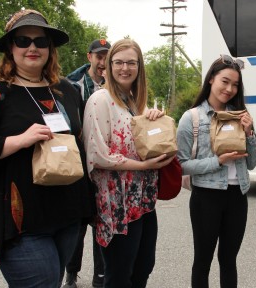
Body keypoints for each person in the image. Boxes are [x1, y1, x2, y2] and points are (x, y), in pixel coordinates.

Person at [0, 9, 93, 287]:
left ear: (50, 49)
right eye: (23, 41)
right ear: (10, 48)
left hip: (66, 215)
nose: (32, 47)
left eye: (40, 41)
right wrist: (19, 140)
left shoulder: (66, 91)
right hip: (20, 222)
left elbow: (81, 143)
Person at [82, 38, 174, 288]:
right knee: (119, 276)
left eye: (131, 63)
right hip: (116, 206)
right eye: (119, 62)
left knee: (143, 269)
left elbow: (146, 145)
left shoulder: (134, 102)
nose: (125, 68)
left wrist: (154, 120)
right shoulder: (100, 100)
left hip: (143, 202)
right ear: (109, 67)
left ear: (139, 67)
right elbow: (96, 154)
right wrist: (143, 167)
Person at [176, 54, 256, 287]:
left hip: (238, 195)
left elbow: (252, 163)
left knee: (228, 259)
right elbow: (181, 165)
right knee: (203, 260)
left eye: (235, 84)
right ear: (211, 79)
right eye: (225, 81)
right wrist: (218, 161)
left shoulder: (241, 116)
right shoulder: (191, 118)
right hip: (206, 196)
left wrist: (250, 133)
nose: (230, 89)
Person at [63, 38, 110, 288]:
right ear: (89, 56)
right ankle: (71, 273)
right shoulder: (72, 85)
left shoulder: (116, 86)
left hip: (105, 165)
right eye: (99, 56)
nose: (103, 62)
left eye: (106, 56)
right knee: (78, 223)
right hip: (78, 164)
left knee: (102, 223)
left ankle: (100, 278)